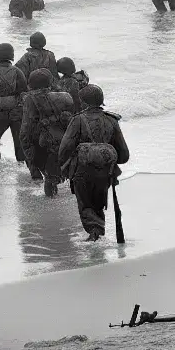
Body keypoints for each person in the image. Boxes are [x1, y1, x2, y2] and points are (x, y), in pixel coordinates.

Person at [59, 85, 130, 239]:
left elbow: (65, 148)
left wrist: (63, 167)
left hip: (81, 171)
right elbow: (124, 155)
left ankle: (94, 232)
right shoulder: (112, 120)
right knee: (98, 204)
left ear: (83, 102)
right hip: (105, 173)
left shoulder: (77, 120)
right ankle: (97, 230)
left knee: (85, 204)